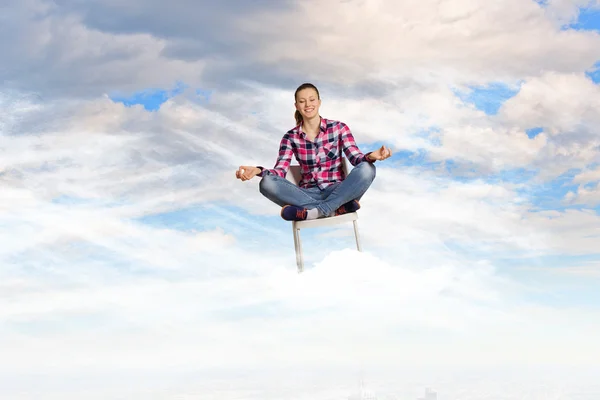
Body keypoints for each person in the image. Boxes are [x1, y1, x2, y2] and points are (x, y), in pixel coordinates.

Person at [235, 82, 392, 221]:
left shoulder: (339, 128)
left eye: (311, 100)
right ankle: (335, 209)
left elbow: (356, 158)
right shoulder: (290, 137)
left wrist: (372, 156)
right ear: (296, 106)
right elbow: (280, 171)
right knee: (266, 183)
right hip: (306, 194)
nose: (307, 104)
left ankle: (314, 212)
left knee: (367, 168)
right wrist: (258, 171)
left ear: (319, 102)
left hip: (338, 190)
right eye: (302, 101)